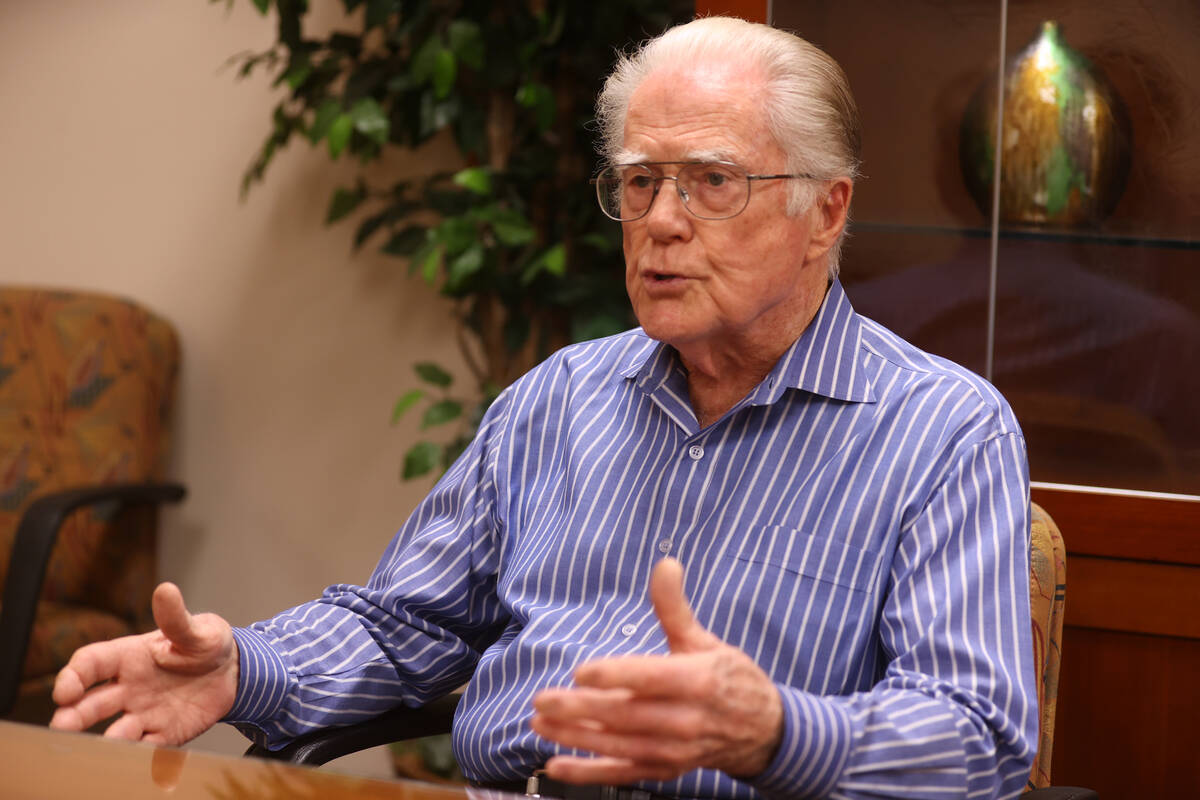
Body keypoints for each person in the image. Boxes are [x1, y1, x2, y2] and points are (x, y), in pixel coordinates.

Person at [50, 17, 1036, 800]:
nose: (660, 220)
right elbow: (404, 625)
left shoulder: (943, 430)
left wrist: (775, 730)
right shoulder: (558, 400)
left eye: (712, 182)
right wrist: (243, 669)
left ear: (825, 211)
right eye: (640, 181)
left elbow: (979, 738)